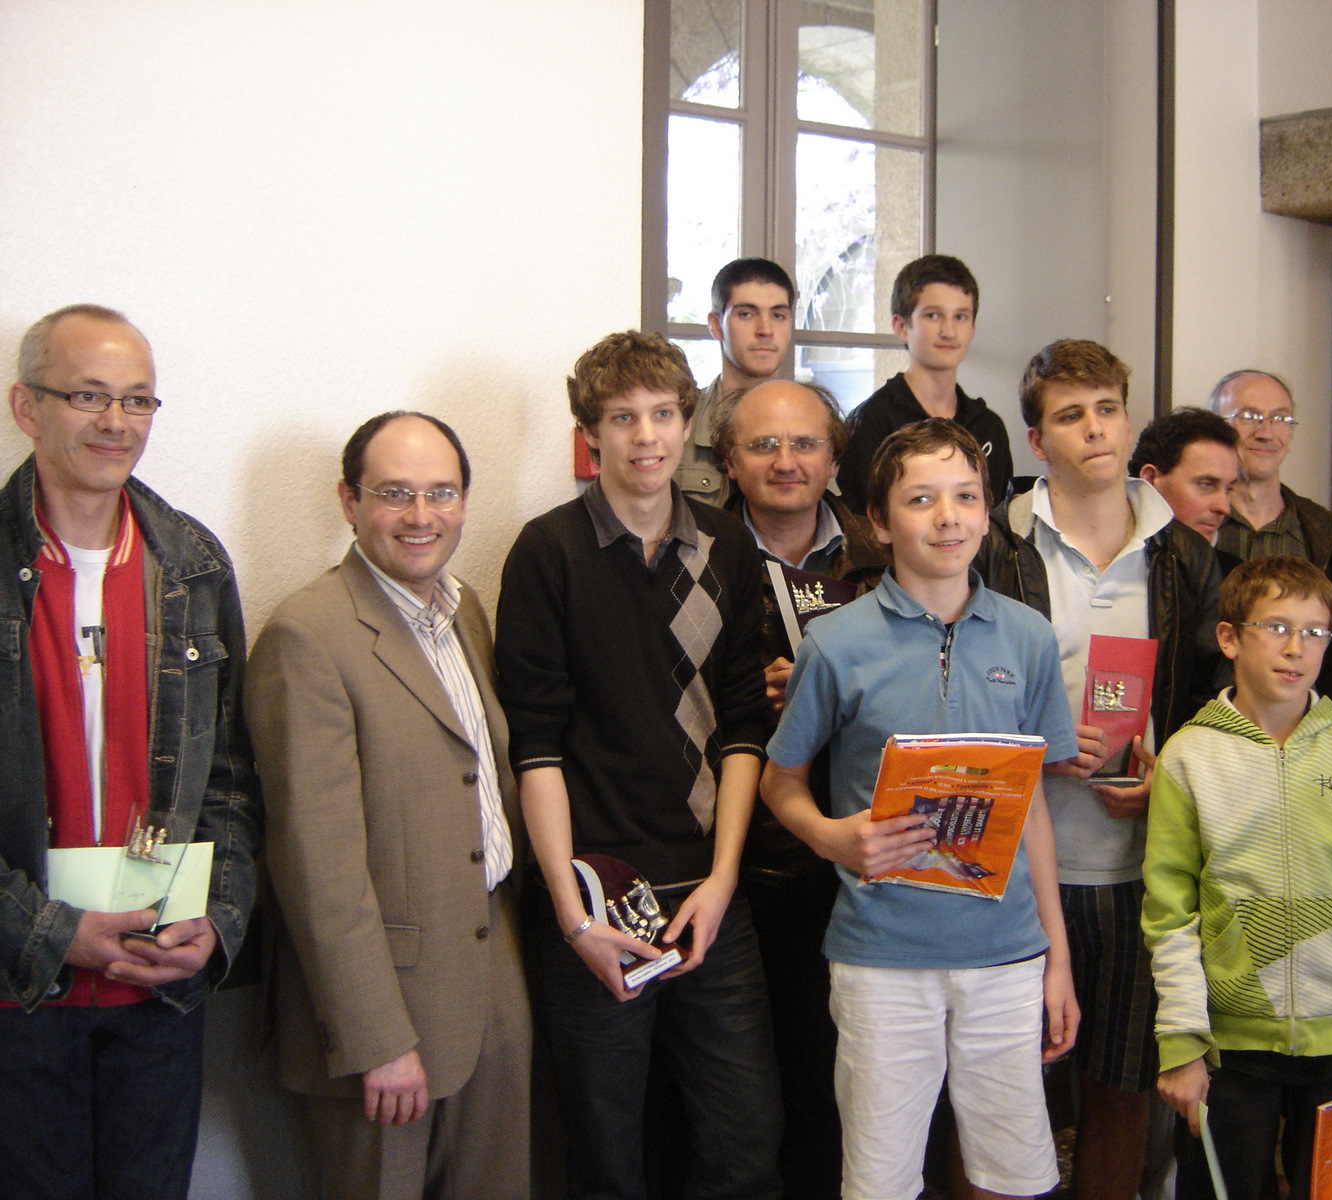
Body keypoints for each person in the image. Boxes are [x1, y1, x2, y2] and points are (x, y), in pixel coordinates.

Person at [762, 419, 1079, 1200]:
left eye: (966, 497)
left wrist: (1058, 959)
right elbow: (779, 782)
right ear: (879, 521)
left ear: (987, 511)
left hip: (1006, 956)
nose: (948, 518)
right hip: (881, 957)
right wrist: (832, 837)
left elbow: (1035, 809)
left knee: (1015, 1176)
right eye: (921, 499)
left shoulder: (1029, 639)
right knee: (880, 1178)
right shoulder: (835, 644)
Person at [497, 330, 781, 1200]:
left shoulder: (727, 547)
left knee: (746, 1144)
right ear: (591, 434)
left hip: (711, 892)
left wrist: (724, 879)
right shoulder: (547, 552)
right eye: (622, 418)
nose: (646, 436)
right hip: (595, 896)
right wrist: (571, 915)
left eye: (662, 414)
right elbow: (535, 745)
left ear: (688, 423)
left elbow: (744, 728)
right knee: (606, 1155)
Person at [0, 304, 262, 1196]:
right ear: (27, 407)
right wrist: (52, 932)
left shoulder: (191, 564)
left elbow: (230, 779)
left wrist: (217, 922)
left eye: (138, 400)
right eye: (89, 396)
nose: (117, 423)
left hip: (158, 995)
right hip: (18, 991)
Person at [246, 413, 533, 1199]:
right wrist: (375, 1037)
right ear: (349, 501)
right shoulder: (306, 636)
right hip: (387, 1009)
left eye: (442, 492)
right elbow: (317, 868)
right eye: (395, 493)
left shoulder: (465, 612)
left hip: (491, 969)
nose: (421, 516)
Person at [974, 340, 1224, 1200]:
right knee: (999, 1089)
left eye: (1108, 409)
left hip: (1135, 867)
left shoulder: (1185, 554)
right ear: (1037, 441)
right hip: (1015, 866)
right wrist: (1033, 744)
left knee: (1121, 1087)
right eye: (1071, 415)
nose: (1095, 429)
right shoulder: (995, 544)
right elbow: (953, 687)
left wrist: (1171, 777)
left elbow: (1214, 702)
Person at [1144, 555, 1332, 1200]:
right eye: (1277, 627)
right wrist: (1182, 1043)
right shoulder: (1190, 755)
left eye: (1315, 632)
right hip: (1228, 1044)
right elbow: (1170, 910)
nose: (1297, 649)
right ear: (1230, 637)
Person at [711, 376, 886, 1198]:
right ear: (728, 461)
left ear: (834, 457)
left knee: (839, 1084)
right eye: (764, 444)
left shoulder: (887, 551)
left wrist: (831, 687)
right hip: (738, 858)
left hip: (861, 852)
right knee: (742, 1096)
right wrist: (747, 690)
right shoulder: (695, 554)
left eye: (806, 443)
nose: (787, 461)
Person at [1208, 370, 1332, 712]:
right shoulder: (1194, 523)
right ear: (1215, 427)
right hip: (1202, 722)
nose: (1266, 432)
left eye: (1280, 419)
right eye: (1249, 416)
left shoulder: (1323, 532)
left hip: (1299, 728)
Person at [835, 254, 1012, 512]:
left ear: (973, 327)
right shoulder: (871, 423)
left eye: (960, 317)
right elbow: (860, 524)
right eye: (933, 315)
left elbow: (996, 520)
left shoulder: (989, 427)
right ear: (901, 326)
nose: (949, 331)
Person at [677, 257, 796, 506]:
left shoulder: (815, 424)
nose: (765, 330)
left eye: (778, 315)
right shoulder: (680, 424)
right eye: (746, 314)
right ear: (715, 325)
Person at [1129, 407, 1240, 543]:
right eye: (1206, 485)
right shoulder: (1108, 550)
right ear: (1150, 479)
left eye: (1228, 489)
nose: (1224, 508)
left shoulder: (1230, 556)